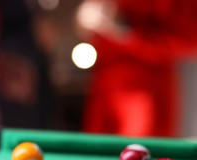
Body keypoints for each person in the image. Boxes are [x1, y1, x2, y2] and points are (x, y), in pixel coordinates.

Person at [76, 0, 197, 137]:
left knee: (140, 151)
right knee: (94, 152)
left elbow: (190, 37)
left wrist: (126, 28)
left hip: (147, 90)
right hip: (104, 87)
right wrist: (85, 18)